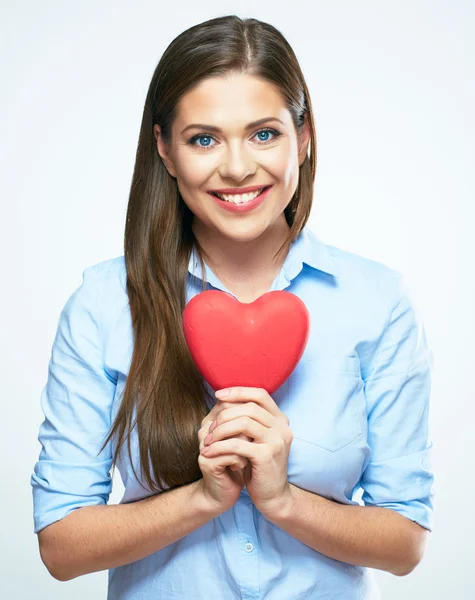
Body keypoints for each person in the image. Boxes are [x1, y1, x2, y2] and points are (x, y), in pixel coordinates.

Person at [30, 14, 435, 600]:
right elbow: (61, 546)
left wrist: (282, 501)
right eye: (204, 138)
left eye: (264, 133)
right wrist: (203, 497)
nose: (238, 167)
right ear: (165, 150)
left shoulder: (377, 304)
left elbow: (406, 543)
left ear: (304, 136)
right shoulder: (102, 305)